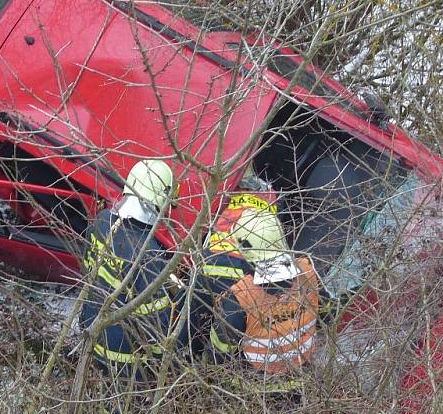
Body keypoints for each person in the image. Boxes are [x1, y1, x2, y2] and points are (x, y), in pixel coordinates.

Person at [190, 201, 319, 383]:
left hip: (257, 389)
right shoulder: (308, 272)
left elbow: (219, 356)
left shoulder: (241, 297)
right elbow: (324, 313)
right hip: (305, 379)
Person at [81, 159, 179, 385]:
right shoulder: (148, 255)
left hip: (91, 325)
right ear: (159, 203)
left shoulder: (102, 221)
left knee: (105, 397)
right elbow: (157, 325)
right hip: (124, 354)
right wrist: (164, 366)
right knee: (124, 409)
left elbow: (87, 274)